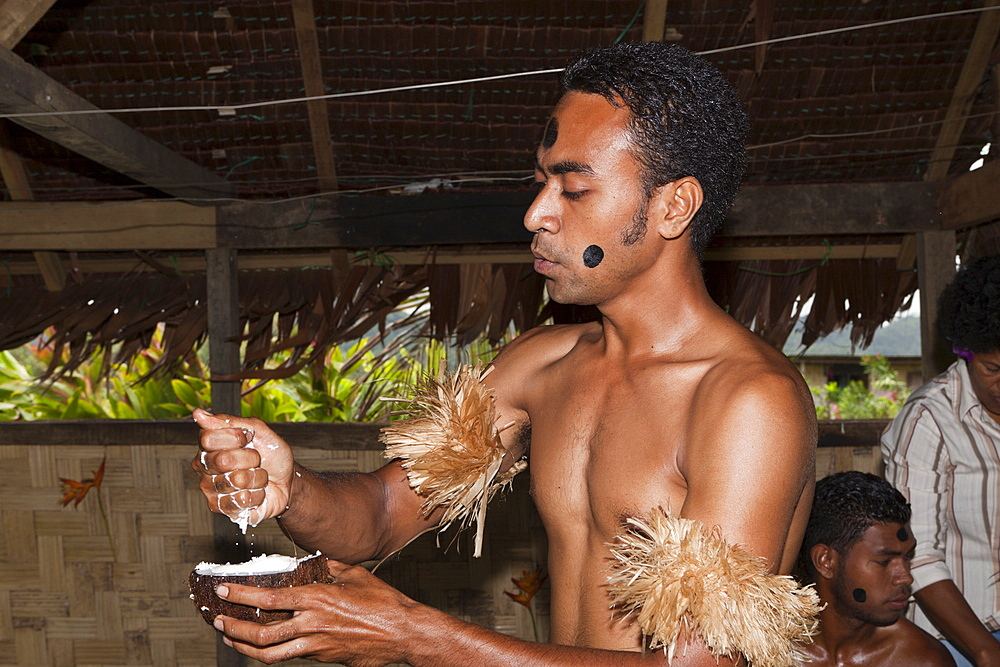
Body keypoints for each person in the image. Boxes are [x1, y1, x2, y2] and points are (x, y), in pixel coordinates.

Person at [192, 41, 818, 666]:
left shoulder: (748, 402)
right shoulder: (538, 367)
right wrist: (290, 488)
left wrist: (414, 635)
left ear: (672, 206)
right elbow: (382, 515)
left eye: (573, 189)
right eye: (541, 182)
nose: (535, 214)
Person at [881, 254, 1000, 667]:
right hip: (957, 637)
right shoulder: (929, 419)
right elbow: (919, 554)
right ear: (964, 350)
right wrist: (986, 651)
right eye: (992, 369)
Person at [796, 470, 955, 666]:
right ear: (825, 561)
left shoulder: (922, 659)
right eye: (884, 561)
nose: (906, 577)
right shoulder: (766, 652)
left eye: (908, 557)